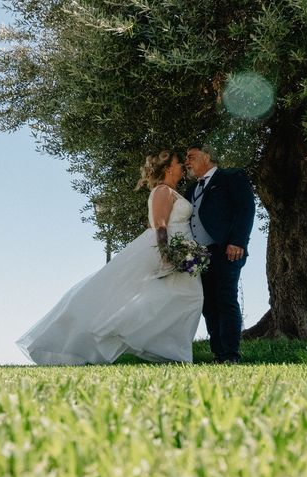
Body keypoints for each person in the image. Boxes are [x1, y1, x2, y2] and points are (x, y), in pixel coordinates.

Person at [16, 151, 204, 365]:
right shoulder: (162, 191)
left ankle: (167, 350)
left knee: (187, 297)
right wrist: (166, 254)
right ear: (169, 169)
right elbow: (160, 225)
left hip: (183, 251)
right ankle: (132, 335)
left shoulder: (174, 192)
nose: (183, 166)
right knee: (187, 297)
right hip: (168, 250)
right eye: (179, 163)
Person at [184, 145, 256, 364]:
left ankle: (231, 354)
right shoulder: (191, 189)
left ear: (207, 157)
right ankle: (218, 352)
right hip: (199, 256)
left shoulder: (231, 177)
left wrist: (238, 241)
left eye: (191, 157)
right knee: (208, 304)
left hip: (226, 250)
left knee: (226, 300)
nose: (187, 161)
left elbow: (246, 208)